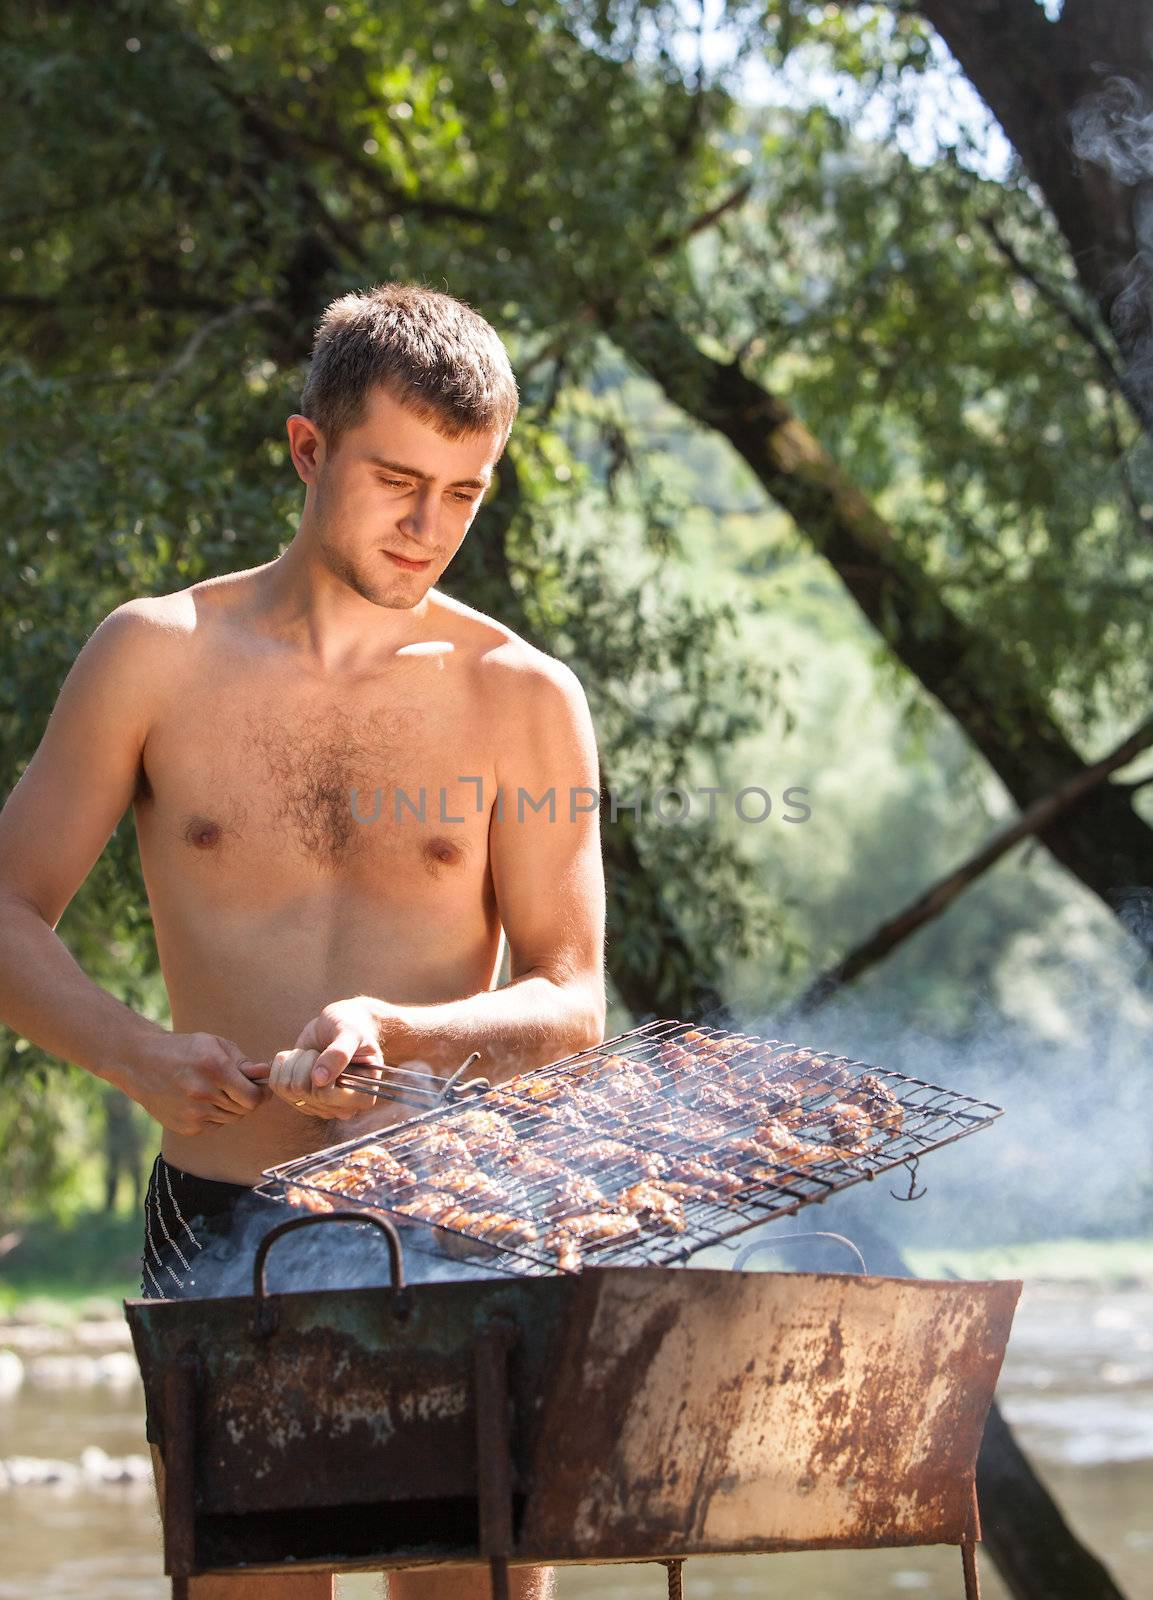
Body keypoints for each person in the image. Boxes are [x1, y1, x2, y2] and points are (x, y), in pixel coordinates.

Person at [0, 282, 607, 1600]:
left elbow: (571, 1000)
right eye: (399, 479)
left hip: (454, 1221)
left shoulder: (523, 698)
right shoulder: (153, 656)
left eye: (465, 491)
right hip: (225, 1222)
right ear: (307, 449)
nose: (428, 525)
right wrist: (138, 1058)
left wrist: (405, 1033)